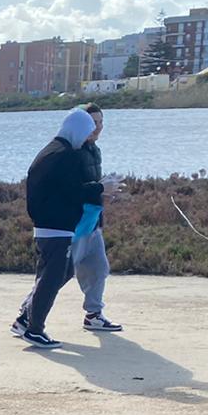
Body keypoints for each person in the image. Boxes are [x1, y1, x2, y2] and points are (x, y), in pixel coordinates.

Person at [11, 108, 104, 348]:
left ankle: (25, 320)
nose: (86, 138)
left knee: (61, 273)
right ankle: (34, 329)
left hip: (49, 225)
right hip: (56, 226)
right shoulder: (65, 155)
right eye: (86, 131)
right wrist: (103, 189)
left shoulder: (51, 150)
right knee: (51, 278)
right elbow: (74, 191)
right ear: (77, 130)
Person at [73, 104, 123, 332]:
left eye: (100, 122)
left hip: (94, 221)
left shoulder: (95, 150)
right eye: (92, 123)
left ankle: (93, 315)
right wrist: (99, 188)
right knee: (57, 275)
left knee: (99, 268)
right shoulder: (71, 152)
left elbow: (92, 187)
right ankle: (27, 315)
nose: (97, 128)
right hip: (74, 224)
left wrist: (106, 190)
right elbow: (71, 189)